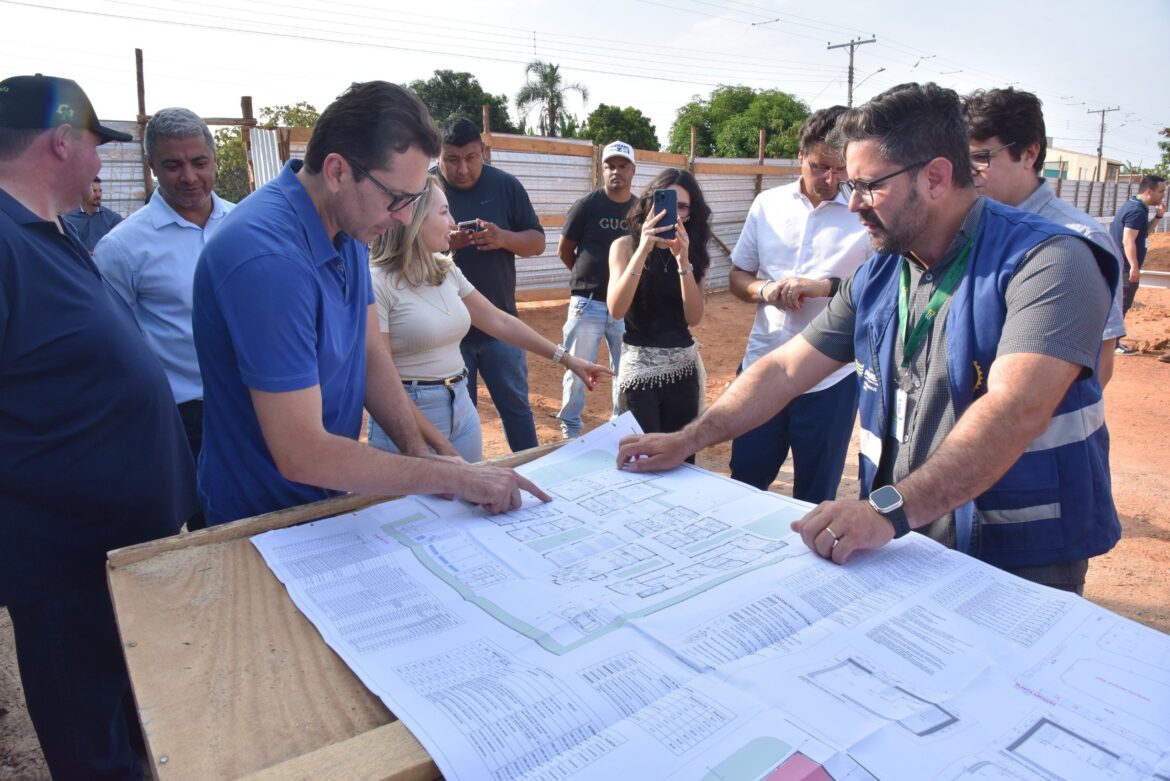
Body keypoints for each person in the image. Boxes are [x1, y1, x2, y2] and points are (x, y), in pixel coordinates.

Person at [617, 83, 1120, 595]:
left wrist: (885, 512)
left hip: (1020, 552)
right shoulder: (883, 271)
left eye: (867, 185)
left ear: (936, 177)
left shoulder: (1049, 261)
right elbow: (786, 369)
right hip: (913, 534)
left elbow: (1014, 409)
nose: (852, 202)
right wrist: (688, 439)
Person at [193, 81, 547, 526]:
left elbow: (369, 352)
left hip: (323, 496)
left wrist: (419, 452)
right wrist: (453, 476)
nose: (404, 217)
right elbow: (301, 452)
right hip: (259, 515)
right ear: (337, 171)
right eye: (396, 198)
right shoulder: (268, 259)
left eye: (414, 201)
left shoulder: (349, 227)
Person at [1, 73, 197, 780]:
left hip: (108, 551)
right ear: (61, 142)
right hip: (62, 561)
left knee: (128, 723)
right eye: (96, 143)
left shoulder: (46, 231)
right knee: (93, 746)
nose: (101, 159)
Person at [368, 176, 612, 461]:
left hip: (461, 406)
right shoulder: (376, 283)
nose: (453, 223)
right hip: (408, 418)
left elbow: (499, 321)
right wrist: (440, 445)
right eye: (444, 212)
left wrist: (568, 359)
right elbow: (382, 382)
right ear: (413, 218)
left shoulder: (445, 270)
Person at [726, 106, 869, 500]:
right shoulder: (767, 205)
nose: (831, 179)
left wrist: (825, 287)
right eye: (820, 166)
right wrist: (766, 291)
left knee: (815, 498)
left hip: (830, 380)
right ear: (800, 154)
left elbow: (879, 289)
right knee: (744, 485)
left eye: (841, 169)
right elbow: (738, 276)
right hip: (762, 367)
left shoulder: (865, 213)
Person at [94, 108, 233, 507]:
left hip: (257, 401)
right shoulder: (122, 247)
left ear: (215, 159)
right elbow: (114, 345)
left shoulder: (245, 225)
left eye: (199, 162)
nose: (189, 176)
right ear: (152, 166)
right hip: (185, 418)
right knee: (209, 521)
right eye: (173, 165)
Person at [963, 87, 1127, 386]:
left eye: (981, 157)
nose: (969, 171)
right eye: (963, 158)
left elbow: (1101, 357)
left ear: (1029, 153)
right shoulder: (969, 229)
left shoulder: (1079, 238)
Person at [435, 117, 546, 452]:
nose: (463, 169)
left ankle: (530, 469)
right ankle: (468, 479)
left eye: (471, 158)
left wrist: (503, 238)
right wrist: (445, 245)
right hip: (447, 333)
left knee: (517, 410)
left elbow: (537, 243)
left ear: (483, 151)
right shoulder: (426, 191)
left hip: (501, 325)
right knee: (458, 418)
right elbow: (400, 253)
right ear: (438, 154)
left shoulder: (505, 185)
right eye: (452, 159)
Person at [607, 168, 712, 444]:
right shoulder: (624, 247)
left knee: (680, 455)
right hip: (639, 371)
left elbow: (694, 317)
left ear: (691, 213)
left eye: (682, 207)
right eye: (665, 202)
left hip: (683, 370)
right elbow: (616, 309)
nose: (672, 213)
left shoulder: (695, 253)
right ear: (649, 203)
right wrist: (643, 250)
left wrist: (683, 261)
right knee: (642, 454)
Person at [555, 140, 636, 439]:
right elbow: (565, 251)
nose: (616, 171)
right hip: (587, 303)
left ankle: (619, 429)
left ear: (633, 170)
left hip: (626, 308)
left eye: (623, 166)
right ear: (602, 169)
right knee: (576, 371)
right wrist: (586, 279)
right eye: (610, 166)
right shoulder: (587, 205)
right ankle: (571, 430)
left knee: (626, 373)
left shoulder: (640, 211)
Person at [1110, 174, 1167, 354]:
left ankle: (1111, 342)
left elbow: (1143, 233)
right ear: (1149, 191)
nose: (1163, 195)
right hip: (1124, 267)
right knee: (1121, 304)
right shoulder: (1136, 211)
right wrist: (1134, 266)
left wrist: (1158, 216)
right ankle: (1112, 344)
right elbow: (1128, 240)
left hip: (1121, 265)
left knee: (1120, 304)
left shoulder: (1137, 207)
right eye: (1161, 191)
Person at [61, 174, 122, 252]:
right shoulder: (67, 219)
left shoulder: (112, 218)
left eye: (100, 191)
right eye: (94, 191)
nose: (98, 195)